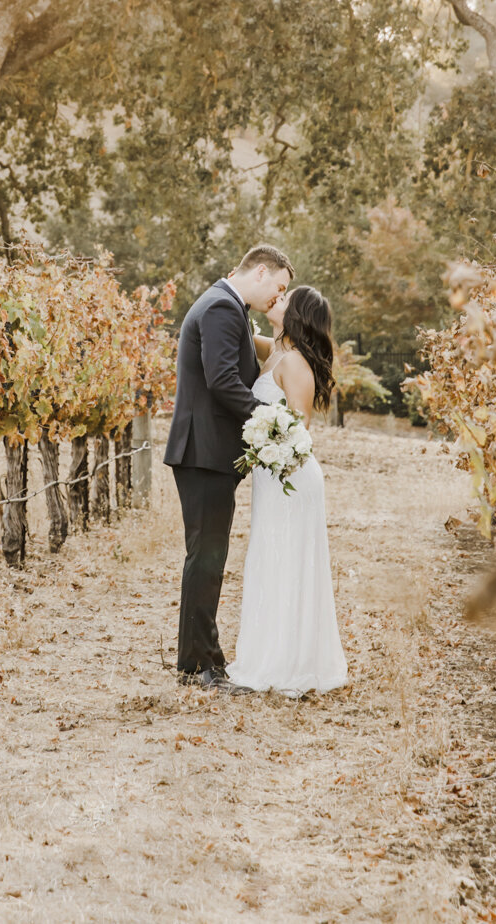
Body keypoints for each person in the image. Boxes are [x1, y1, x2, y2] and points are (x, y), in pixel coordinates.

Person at [164, 244, 293, 689]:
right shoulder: (221, 306)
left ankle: (196, 661)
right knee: (206, 558)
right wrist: (272, 421)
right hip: (203, 453)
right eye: (277, 288)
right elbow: (223, 382)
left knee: (207, 557)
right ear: (260, 271)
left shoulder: (226, 305)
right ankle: (201, 666)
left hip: (207, 452)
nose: (276, 298)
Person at [226, 285, 349, 695]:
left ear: (295, 314)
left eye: (283, 298)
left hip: (291, 477)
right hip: (271, 476)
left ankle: (287, 664)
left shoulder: (295, 362)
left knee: (286, 562)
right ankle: (268, 653)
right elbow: (240, 332)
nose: (274, 300)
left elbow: (300, 431)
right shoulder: (275, 349)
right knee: (268, 557)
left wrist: (262, 441)